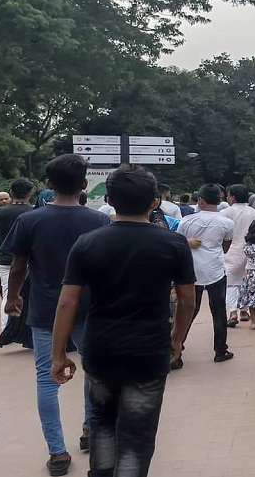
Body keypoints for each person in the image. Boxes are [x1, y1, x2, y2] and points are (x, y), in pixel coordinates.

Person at [51, 164, 196, 477]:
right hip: (149, 350)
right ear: (154, 201)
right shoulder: (173, 243)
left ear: (110, 200)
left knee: (102, 420)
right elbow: (187, 299)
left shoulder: (87, 243)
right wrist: (177, 339)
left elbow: (67, 301)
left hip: (100, 348)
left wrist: (58, 354)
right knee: (138, 432)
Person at [4, 154, 111, 475]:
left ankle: (57, 452)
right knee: (93, 371)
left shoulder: (30, 220)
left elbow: (18, 266)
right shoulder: (99, 221)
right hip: (89, 308)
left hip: (45, 309)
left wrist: (13, 297)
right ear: (84, 185)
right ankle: (90, 429)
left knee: (46, 378)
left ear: (49, 185)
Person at [175, 183, 235, 367]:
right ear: (220, 200)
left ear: (200, 201)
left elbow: (178, 244)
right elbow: (225, 248)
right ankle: (220, 351)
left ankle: (176, 351)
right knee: (218, 312)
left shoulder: (186, 221)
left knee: (187, 311)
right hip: (215, 270)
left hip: (191, 271)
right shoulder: (227, 223)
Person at [0, 179, 35, 328]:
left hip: (6, 257)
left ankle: (6, 328)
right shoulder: (36, 212)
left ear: (11, 193)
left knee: (8, 294)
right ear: (30, 193)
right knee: (32, 294)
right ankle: (27, 329)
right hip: (32, 260)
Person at [223, 186, 255, 324]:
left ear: (233, 197)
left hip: (230, 251)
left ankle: (232, 312)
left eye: (228, 195)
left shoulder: (225, 213)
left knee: (231, 283)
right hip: (251, 252)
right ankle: (244, 311)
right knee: (246, 282)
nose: (227, 198)